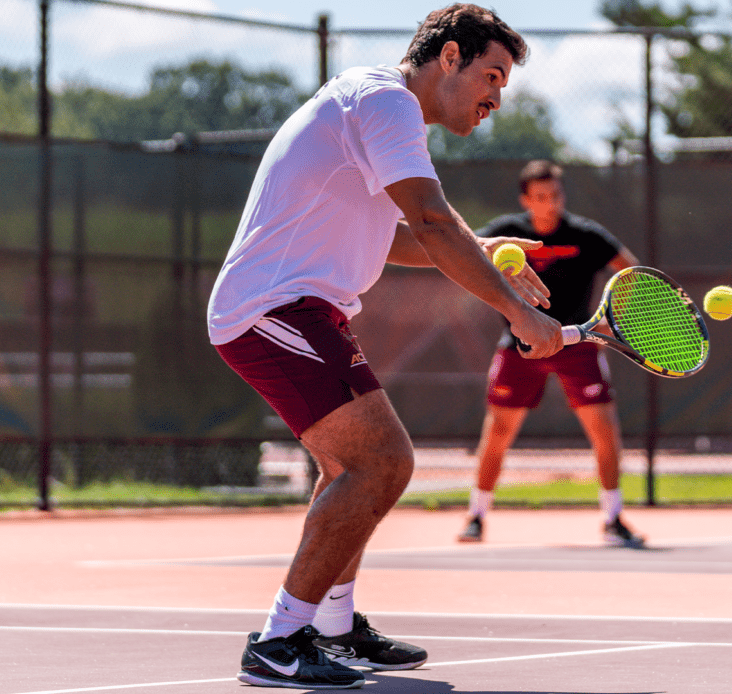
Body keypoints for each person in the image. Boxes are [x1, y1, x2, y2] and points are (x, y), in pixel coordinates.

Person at [207, 5, 563, 690]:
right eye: (491, 75)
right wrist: (516, 311)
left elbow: (397, 237)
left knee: (349, 465)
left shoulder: (376, 111)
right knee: (383, 462)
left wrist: (482, 254)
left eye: (505, 86)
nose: (495, 97)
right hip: (271, 310)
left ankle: (333, 629)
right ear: (449, 57)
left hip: (301, 312)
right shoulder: (384, 101)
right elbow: (430, 221)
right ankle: (280, 641)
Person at [457, 159, 646, 548]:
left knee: (605, 430)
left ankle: (613, 519)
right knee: (498, 432)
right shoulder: (504, 234)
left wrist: (614, 319)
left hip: (578, 345)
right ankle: (476, 515)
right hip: (520, 346)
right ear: (526, 199)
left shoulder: (586, 235)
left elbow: (631, 271)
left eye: (555, 195)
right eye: (540, 197)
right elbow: (460, 253)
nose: (550, 203)